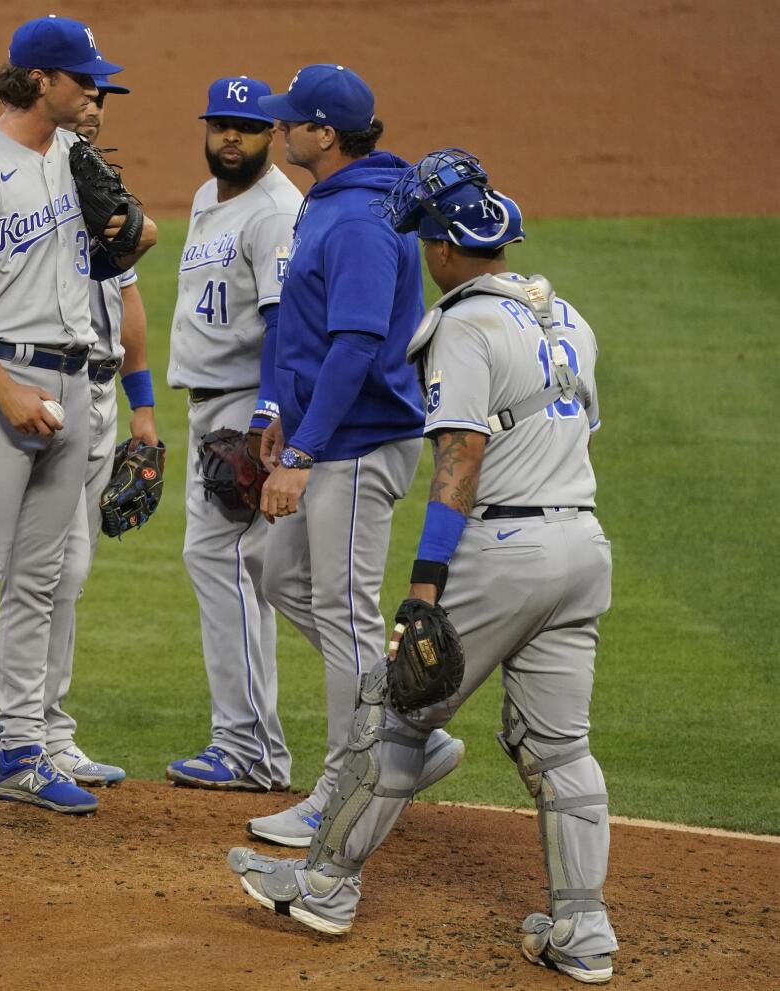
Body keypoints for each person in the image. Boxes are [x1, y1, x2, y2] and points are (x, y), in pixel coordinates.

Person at [230, 148, 617, 985]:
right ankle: (584, 930)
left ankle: (326, 884)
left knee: (396, 708)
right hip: (584, 547)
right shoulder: (570, 318)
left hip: (504, 551)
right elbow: (578, 432)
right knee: (559, 750)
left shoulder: (464, 329)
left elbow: (462, 459)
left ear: (441, 250)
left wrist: (424, 586)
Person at [0, 15, 156, 827]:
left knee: (42, 580)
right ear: (40, 80)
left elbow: (112, 259)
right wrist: (3, 389)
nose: (94, 92)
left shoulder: (73, 161)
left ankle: (22, 752)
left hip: (79, 380)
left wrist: (127, 244)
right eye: (83, 79)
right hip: (2, 384)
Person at [244, 65, 463, 846]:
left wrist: (303, 447)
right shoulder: (332, 200)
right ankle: (409, 732)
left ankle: (344, 785)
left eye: (288, 122)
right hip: (326, 435)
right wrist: (278, 409)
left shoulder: (366, 219)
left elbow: (357, 343)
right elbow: (297, 325)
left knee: (344, 612)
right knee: (277, 573)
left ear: (324, 134)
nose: (277, 131)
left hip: (360, 442)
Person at [163, 76, 303, 793]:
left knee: (230, 567)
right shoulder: (204, 198)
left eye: (246, 128)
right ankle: (245, 742)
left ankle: (249, 748)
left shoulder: (277, 211)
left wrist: (265, 419)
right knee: (221, 566)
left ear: (272, 135)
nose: (230, 138)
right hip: (209, 405)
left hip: (247, 405)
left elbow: (283, 323)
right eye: (220, 124)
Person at [28, 72, 157, 787]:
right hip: (51, 390)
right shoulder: (39, 190)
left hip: (104, 398)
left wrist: (143, 409)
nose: (97, 108)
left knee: (71, 571)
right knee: (41, 569)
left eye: (107, 98)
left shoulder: (102, 186)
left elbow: (127, 306)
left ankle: (50, 727)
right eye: (90, 95)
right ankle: (27, 731)